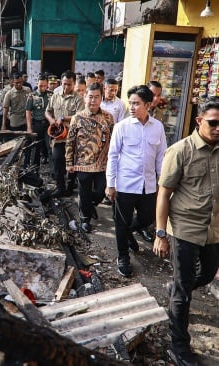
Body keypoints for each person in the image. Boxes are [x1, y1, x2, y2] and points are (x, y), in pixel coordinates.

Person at [153, 97, 219, 366]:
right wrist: (160, 234)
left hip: (213, 230)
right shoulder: (181, 151)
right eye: (214, 123)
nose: (218, 129)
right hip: (184, 229)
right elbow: (164, 194)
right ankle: (178, 346)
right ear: (199, 121)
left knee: (206, 273)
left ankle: (177, 286)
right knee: (183, 293)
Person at [105, 85, 167, 277]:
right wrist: (111, 183)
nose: (131, 107)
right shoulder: (122, 127)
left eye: (136, 103)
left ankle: (126, 233)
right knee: (122, 223)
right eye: (130, 103)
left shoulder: (157, 127)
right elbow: (113, 155)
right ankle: (123, 257)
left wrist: (161, 183)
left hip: (148, 185)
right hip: (125, 185)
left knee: (147, 219)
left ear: (148, 105)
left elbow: (161, 157)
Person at [65, 82, 114, 232]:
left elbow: (113, 140)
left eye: (96, 97)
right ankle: (85, 219)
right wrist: (69, 162)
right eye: (90, 97)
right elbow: (70, 141)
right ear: (84, 97)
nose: (93, 100)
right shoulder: (77, 118)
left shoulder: (108, 117)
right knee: (84, 192)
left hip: (102, 163)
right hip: (82, 163)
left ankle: (90, 205)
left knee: (100, 191)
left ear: (101, 98)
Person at [46, 71, 84, 197]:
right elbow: (48, 111)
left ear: (74, 83)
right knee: (57, 160)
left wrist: (64, 118)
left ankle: (70, 187)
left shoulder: (78, 98)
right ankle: (60, 187)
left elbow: (80, 116)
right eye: (64, 84)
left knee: (71, 163)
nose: (66, 87)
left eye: (69, 84)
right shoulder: (55, 96)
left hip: (73, 137)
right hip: (58, 137)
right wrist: (51, 120)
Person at [25, 74, 53, 172]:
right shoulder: (31, 96)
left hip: (48, 125)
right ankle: (35, 170)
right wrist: (29, 127)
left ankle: (53, 172)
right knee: (36, 148)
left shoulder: (51, 94)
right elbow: (28, 111)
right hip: (36, 124)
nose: (43, 88)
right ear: (37, 83)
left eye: (45, 85)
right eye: (41, 85)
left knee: (50, 147)